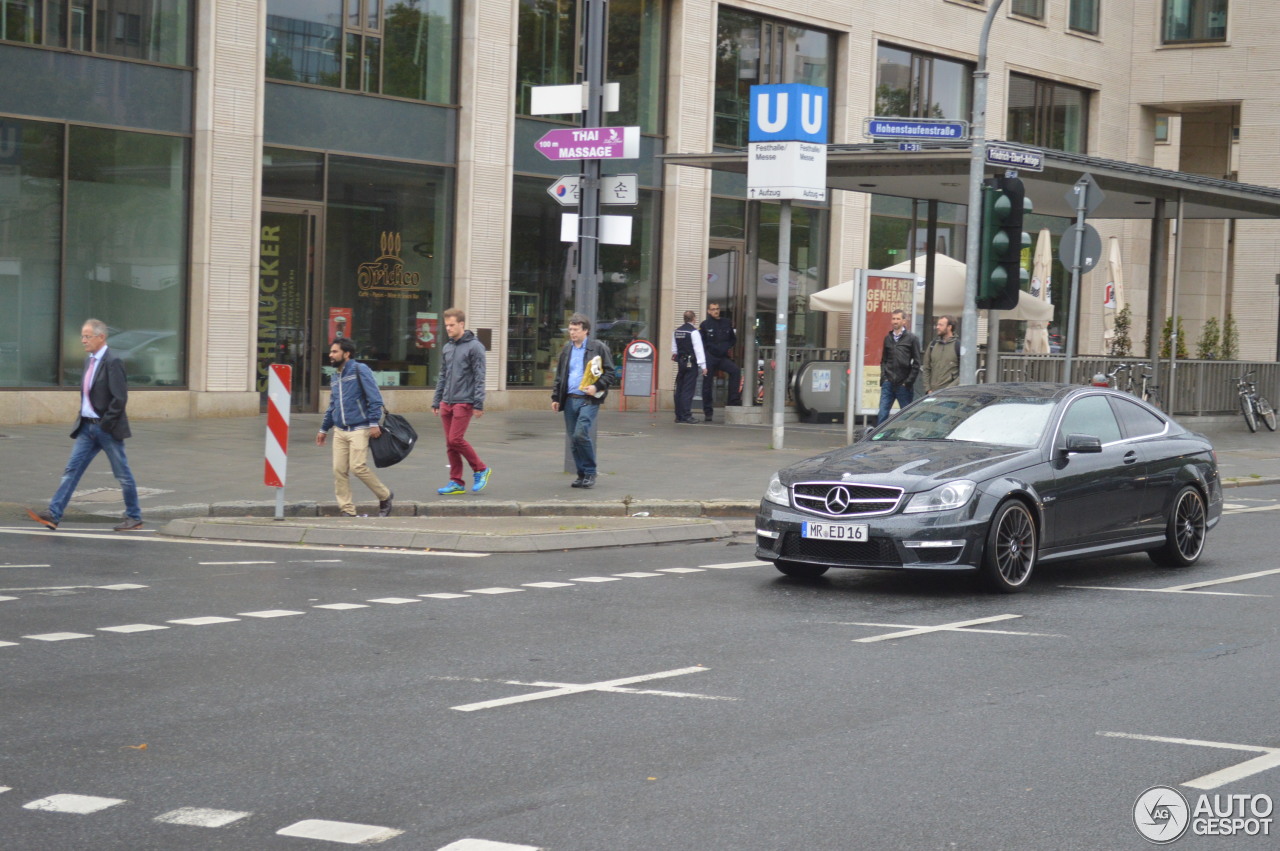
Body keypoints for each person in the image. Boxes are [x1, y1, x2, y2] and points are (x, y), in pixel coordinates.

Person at [27, 319, 144, 532]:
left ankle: (134, 517)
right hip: (86, 428)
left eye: (87, 336)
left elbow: (119, 398)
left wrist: (105, 425)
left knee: (122, 474)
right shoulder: (88, 361)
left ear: (101, 337)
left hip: (106, 429)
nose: (83, 340)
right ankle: (54, 514)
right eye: (82, 336)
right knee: (71, 470)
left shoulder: (113, 361)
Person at [315, 338, 394, 517]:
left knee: (357, 467)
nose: (331, 355)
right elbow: (332, 405)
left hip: (360, 427)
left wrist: (374, 422)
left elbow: (374, 397)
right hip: (340, 430)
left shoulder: (360, 369)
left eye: (335, 351)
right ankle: (347, 510)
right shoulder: (335, 377)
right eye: (331, 352)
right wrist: (323, 428)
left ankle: (385, 495)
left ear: (346, 353)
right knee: (339, 470)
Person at [550, 313, 617, 489]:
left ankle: (590, 472)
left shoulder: (598, 348)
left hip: (589, 398)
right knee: (573, 438)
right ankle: (581, 475)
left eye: (576, 330)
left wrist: (596, 386)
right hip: (570, 399)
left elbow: (610, 373)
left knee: (581, 433)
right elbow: (560, 375)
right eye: (570, 329)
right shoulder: (567, 349)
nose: (572, 333)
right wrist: (556, 397)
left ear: (585, 330)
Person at [431, 307, 491, 495]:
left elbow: (480, 376)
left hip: (464, 401)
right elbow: (442, 375)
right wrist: (436, 400)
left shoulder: (475, 347)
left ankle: (481, 469)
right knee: (450, 444)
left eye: (452, 325)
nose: (448, 328)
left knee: (456, 439)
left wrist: (478, 404)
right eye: (446, 325)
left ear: (461, 324)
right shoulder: (448, 347)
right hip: (446, 402)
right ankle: (456, 481)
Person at [699, 301, 743, 422]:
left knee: (735, 371)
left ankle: (732, 402)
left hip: (722, 356)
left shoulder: (726, 323)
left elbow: (732, 339)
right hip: (710, 357)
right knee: (707, 384)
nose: (716, 311)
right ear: (708, 311)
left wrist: (726, 347)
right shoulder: (705, 325)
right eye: (713, 309)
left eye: (717, 308)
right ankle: (708, 411)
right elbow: (701, 343)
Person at [877, 309, 922, 424]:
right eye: (893, 319)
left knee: (906, 416)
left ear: (904, 321)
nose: (895, 321)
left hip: (903, 385)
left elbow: (917, 362)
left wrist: (908, 382)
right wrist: (884, 377)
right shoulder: (888, 338)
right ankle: (878, 439)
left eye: (898, 319)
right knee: (882, 413)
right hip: (889, 383)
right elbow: (884, 360)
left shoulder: (912, 338)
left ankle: (906, 439)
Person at [671, 309, 706, 424]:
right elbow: (698, 350)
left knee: (679, 388)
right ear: (694, 319)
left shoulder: (677, 331)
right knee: (688, 389)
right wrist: (703, 365)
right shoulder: (693, 332)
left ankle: (679, 415)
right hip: (691, 362)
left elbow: (674, 350)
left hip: (681, 362)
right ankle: (686, 415)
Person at [922, 314, 960, 394]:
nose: (937, 327)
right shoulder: (932, 345)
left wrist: (949, 389)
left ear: (949, 327)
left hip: (951, 394)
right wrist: (928, 389)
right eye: (937, 324)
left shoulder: (958, 346)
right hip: (932, 393)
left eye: (941, 325)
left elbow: (963, 373)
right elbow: (926, 368)